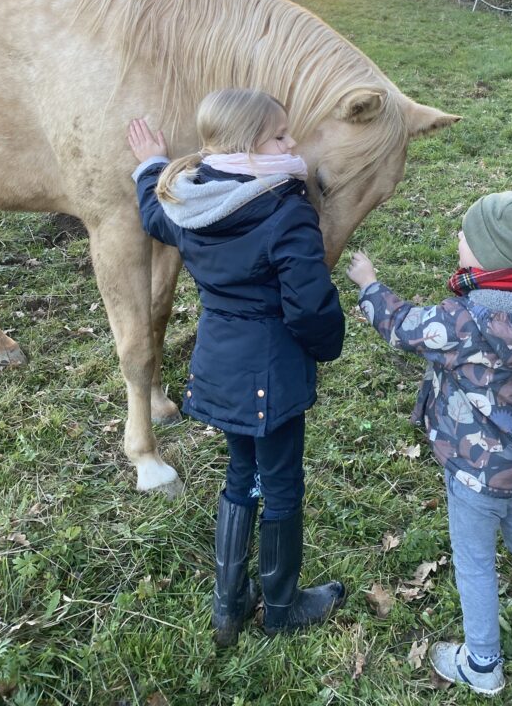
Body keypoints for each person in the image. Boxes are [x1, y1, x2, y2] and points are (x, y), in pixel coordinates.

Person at [127, 88, 346, 645]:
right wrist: (326, 345)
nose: (292, 142)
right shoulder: (285, 209)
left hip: (220, 371)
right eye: (279, 135)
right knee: (282, 484)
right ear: (247, 148)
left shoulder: (191, 202)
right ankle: (281, 606)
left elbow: (154, 214)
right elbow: (310, 303)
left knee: (239, 476)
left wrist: (150, 164)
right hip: (272, 379)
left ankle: (229, 608)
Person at [347, 192, 512, 696]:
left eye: (466, 237)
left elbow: (403, 327)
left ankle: (483, 664)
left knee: (474, 562)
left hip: (474, 473)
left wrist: (369, 285)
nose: (458, 241)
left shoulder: (465, 321)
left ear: (492, 258)